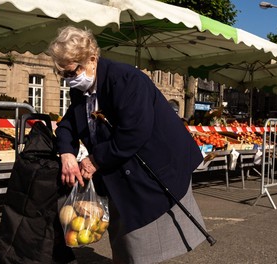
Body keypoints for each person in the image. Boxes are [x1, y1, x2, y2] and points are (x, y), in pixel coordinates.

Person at [47, 26, 206, 263]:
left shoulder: (126, 79)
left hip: (153, 168)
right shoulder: (82, 90)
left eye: (73, 72)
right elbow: (69, 123)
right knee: (123, 236)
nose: (70, 80)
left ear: (92, 59)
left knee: (140, 239)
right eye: (64, 75)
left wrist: (94, 160)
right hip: (119, 168)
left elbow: (133, 131)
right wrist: (67, 153)